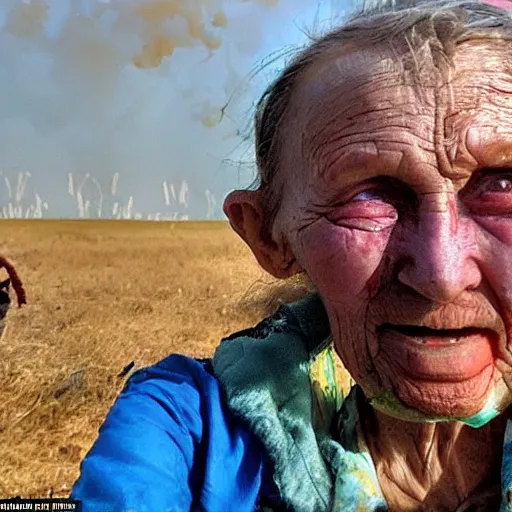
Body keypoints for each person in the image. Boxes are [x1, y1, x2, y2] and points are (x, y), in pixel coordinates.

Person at [71, 0, 512, 510]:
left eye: (501, 185)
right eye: (370, 195)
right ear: (269, 238)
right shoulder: (187, 433)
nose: (441, 273)